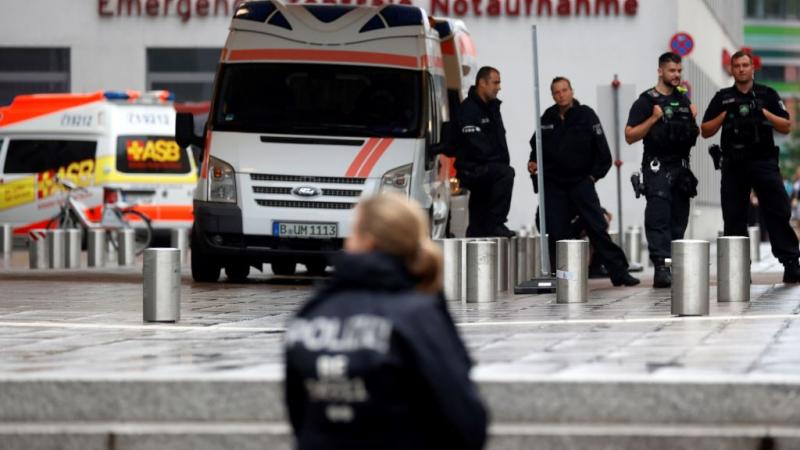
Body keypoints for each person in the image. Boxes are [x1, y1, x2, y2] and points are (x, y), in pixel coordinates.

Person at [284, 193, 488, 450]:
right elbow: (465, 419)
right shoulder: (419, 316)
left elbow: (300, 414)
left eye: (352, 231)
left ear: (367, 241)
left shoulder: (311, 313)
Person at [700, 50, 800, 282]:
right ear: (732, 69)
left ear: (752, 68)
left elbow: (786, 126)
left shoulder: (767, 94)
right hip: (734, 164)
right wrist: (724, 115)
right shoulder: (722, 97)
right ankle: (738, 270)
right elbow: (705, 130)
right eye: (737, 66)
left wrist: (763, 112)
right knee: (734, 216)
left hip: (763, 161)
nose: (742, 69)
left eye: (745, 65)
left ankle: (791, 262)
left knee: (777, 211)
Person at [529, 77, 639, 287]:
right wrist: (532, 162)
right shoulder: (547, 118)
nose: (561, 95)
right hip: (554, 185)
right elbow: (536, 147)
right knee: (556, 231)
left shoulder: (585, 115)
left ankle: (619, 272)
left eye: (564, 90)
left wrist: (592, 177)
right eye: (556, 92)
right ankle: (563, 277)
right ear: (552, 95)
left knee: (596, 227)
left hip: (581, 182)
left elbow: (602, 152)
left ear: (571, 91)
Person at [625, 52, 700, 288]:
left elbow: (691, 134)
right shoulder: (646, 101)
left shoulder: (684, 99)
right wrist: (653, 119)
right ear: (660, 71)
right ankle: (661, 267)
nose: (676, 75)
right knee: (658, 216)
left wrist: (693, 118)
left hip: (680, 166)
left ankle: (674, 265)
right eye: (672, 71)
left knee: (679, 217)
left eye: (679, 71)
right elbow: (629, 136)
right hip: (657, 166)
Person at [457, 66, 515, 238]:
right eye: (495, 82)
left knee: (478, 217)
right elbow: (477, 145)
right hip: (474, 168)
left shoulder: (492, 107)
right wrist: (498, 163)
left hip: (488, 168)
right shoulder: (468, 109)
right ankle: (496, 223)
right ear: (482, 83)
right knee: (506, 174)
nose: (499, 87)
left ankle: (477, 236)